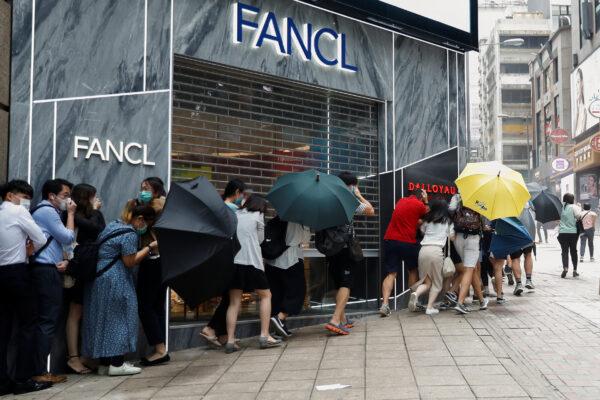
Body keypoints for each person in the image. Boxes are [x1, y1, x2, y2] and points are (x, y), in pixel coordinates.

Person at [82, 200, 158, 376]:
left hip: (99, 277)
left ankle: (104, 364)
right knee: (121, 319)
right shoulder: (130, 233)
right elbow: (130, 261)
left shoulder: (114, 225)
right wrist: (149, 247)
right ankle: (117, 364)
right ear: (139, 218)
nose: (145, 227)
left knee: (104, 320)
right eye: (146, 223)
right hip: (115, 279)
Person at [0, 180, 52, 395]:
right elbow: (40, 238)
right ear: (11, 195)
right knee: (28, 325)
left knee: (3, 330)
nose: (27, 202)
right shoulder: (17, 211)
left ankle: (2, 382)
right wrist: (29, 249)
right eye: (24, 196)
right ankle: (22, 379)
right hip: (17, 273)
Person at [30, 178, 76, 384]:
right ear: (51, 196)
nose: (69, 200)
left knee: (46, 320)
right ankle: (39, 370)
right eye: (66, 195)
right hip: (45, 272)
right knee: (47, 321)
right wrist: (72, 215)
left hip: (48, 269)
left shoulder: (51, 212)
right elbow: (67, 237)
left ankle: (39, 369)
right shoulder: (47, 211)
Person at [226, 195, 281, 352]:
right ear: (261, 207)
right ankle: (264, 336)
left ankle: (230, 341)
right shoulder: (258, 216)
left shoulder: (235, 215)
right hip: (252, 262)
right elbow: (260, 240)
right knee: (266, 296)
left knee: (234, 302)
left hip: (235, 263)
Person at [324, 172, 374, 335]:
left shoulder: (328, 199)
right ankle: (335, 320)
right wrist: (359, 195)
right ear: (350, 185)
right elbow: (370, 210)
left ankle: (343, 319)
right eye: (354, 185)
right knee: (346, 284)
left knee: (339, 284)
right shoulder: (347, 200)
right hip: (345, 249)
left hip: (331, 249)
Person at [200, 179, 247, 347]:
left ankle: (223, 335)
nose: (242, 197)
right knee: (231, 298)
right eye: (242, 194)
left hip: (220, 257)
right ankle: (211, 328)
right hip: (232, 258)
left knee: (228, 296)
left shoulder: (219, 209)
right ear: (236, 192)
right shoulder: (234, 212)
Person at [65, 184, 105, 375]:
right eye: (92, 196)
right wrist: (96, 211)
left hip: (92, 266)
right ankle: (73, 358)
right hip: (80, 265)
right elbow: (95, 227)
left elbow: (100, 230)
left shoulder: (90, 214)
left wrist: (96, 211)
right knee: (76, 310)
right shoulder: (73, 215)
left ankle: (85, 356)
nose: (95, 199)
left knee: (87, 311)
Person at [136, 177, 170, 366]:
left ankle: (159, 349)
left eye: (146, 188)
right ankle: (161, 348)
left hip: (153, 260)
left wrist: (137, 206)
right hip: (161, 261)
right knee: (156, 306)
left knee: (146, 306)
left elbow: (144, 215)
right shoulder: (162, 205)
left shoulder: (157, 205)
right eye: (141, 188)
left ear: (156, 191)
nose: (143, 191)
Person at [380, 189, 428, 317]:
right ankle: (413, 302)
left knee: (391, 274)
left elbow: (412, 220)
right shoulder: (420, 205)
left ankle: (385, 304)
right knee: (412, 270)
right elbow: (429, 214)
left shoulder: (401, 201)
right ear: (421, 197)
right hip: (408, 241)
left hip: (391, 240)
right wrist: (426, 201)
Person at [408, 199, 454, 315]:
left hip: (423, 250)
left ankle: (416, 294)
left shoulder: (427, 220)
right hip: (436, 251)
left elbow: (422, 231)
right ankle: (429, 307)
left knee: (426, 281)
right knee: (437, 283)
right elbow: (452, 237)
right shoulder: (448, 221)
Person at [265, 221, 311, 337]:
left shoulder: (278, 219)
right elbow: (305, 240)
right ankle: (280, 318)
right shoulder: (299, 221)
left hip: (272, 261)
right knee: (297, 291)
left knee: (277, 294)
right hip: (291, 259)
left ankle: (277, 329)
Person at [448, 193, 488, 314]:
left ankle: (481, 300)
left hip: (458, 236)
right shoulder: (480, 199)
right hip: (472, 238)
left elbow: (450, 212)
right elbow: (484, 220)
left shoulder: (457, 196)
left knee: (471, 269)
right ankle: (460, 303)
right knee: (469, 269)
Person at [558, 193, 583, 278]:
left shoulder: (560, 207)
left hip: (562, 233)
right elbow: (579, 216)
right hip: (573, 233)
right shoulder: (574, 207)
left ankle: (565, 268)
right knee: (573, 251)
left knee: (564, 251)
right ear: (572, 199)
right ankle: (575, 270)